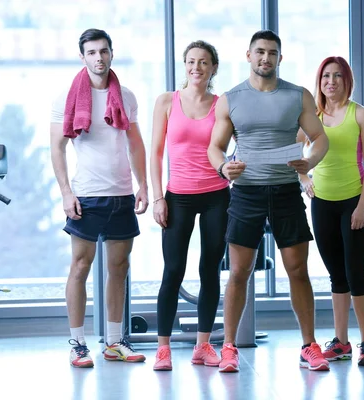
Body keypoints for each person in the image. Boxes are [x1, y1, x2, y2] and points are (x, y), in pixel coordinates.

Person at [207, 30, 330, 373]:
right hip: (246, 192)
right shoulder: (231, 99)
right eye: (259, 52)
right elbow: (215, 146)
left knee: (297, 271)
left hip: (286, 191)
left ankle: (309, 345)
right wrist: (223, 167)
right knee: (239, 272)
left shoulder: (298, 95)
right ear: (248, 55)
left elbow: (319, 139)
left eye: (272, 53)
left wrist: (310, 162)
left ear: (279, 57)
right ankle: (229, 347)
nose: (265, 58)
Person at [50, 28, 149, 368]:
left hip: (121, 194)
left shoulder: (127, 96)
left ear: (111, 53)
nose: (99, 58)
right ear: (83, 57)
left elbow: (135, 144)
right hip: (86, 194)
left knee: (118, 268)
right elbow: (57, 147)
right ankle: (77, 344)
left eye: (103, 51)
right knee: (80, 266)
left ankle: (113, 342)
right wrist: (66, 192)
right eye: (91, 52)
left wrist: (144, 185)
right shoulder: (67, 96)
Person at [149, 40, 230, 371]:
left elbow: (237, 144)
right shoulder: (167, 101)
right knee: (173, 271)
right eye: (191, 61)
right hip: (177, 196)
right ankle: (163, 348)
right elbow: (154, 152)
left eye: (204, 62)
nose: (197, 67)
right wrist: (157, 197)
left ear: (213, 68)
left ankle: (203, 345)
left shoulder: (223, 103)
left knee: (209, 270)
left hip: (216, 194)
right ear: (184, 65)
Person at [298, 56, 364, 366]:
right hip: (322, 204)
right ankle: (342, 342)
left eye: (337, 76)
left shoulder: (362, 115)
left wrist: (362, 206)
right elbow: (294, 150)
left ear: (347, 80)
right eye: (326, 77)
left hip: (353, 202)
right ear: (320, 83)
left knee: (356, 275)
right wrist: (304, 178)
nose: (331, 81)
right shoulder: (313, 116)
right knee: (336, 277)